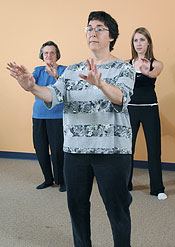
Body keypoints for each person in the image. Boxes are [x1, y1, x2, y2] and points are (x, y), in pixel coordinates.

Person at [7, 11, 135, 247]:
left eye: (99, 28)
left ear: (112, 37)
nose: (92, 32)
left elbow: (121, 97)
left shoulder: (123, 68)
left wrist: (101, 83)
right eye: (89, 28)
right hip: (76, 151)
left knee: (117, 209)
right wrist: (31, 87)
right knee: (76, 207)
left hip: (113, 152)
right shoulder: (72, 70)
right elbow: (52, 95)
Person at [127, 27, 167, 200]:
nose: (139, 44)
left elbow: (154, 74)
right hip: (130, 109)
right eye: (136, 40)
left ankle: (157, 188)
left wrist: (146, 72)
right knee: (127, 149)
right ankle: (125, 183)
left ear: (148, 42)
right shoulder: (126, 64)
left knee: (153, 149)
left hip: (150, 108)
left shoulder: (156, 63)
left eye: (142, 40)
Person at [32, 41, 66, 191]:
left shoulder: (64, 70)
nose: (49, 55)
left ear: (57, 55)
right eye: (46, 53)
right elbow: (30, 83)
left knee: (58, 150)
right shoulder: (38, 71)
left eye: (52, 52)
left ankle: (61, 180)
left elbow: (67, 88)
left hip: (57, 117)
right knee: (40, 149)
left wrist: (57, 76)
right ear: (42, 55)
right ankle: (48, 179)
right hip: (38, 116)